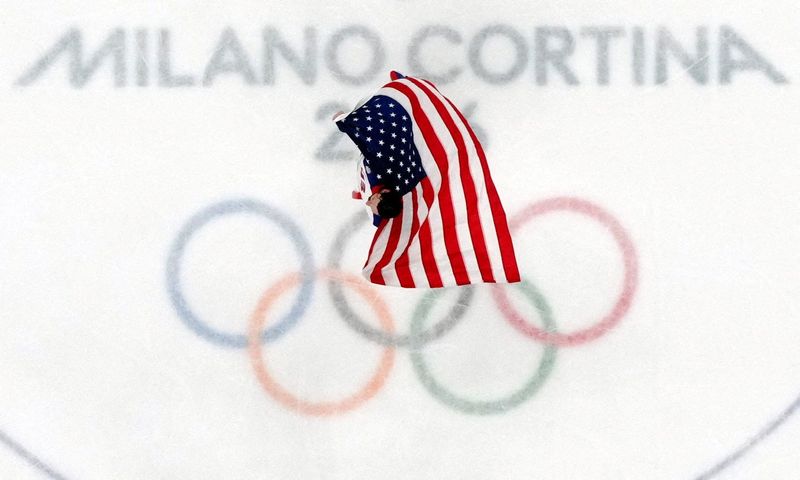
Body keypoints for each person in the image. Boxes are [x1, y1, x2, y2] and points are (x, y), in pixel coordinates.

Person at [332, 109, 403, 225]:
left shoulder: (377, 217)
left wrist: (359, 193)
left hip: (363, 166)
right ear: (384, 192)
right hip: (368, 154)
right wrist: (343, 122)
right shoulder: (379, 170)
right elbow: (367, 139)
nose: (367, 204)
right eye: (372, 200)